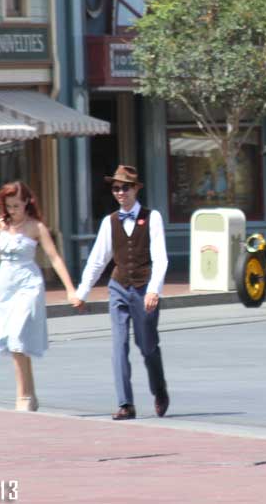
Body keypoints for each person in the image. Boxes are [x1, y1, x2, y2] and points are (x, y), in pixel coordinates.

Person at [73, 165, 169, 420]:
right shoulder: (109, 222)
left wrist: (154, 290)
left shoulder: (153, 218)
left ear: (136, 189)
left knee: (147, 346)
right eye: (115, 188)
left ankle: (159, 391)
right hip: (118, 287)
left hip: (143, 287)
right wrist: (82, 292)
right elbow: (98, 260)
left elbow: (160, 258)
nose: (120, 192)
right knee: (119, 345)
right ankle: (126, 404)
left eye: (125, 187)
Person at [0, 181, 77, 411]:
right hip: (6, 284)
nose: (12, 210)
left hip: (29, 283)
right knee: (13, 341)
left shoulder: (36, 227)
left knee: (17, 335)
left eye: (16, 205)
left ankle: (23, 397)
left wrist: (70, 289)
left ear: (27, 202)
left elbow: (55, 258)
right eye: (8, 206)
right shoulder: (0, 225)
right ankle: (30, 393)